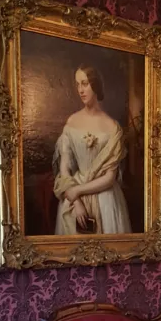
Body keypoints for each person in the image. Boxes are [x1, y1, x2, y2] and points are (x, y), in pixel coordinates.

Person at [53, 65, 132, 235]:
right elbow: (64, 168)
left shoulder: (112, 127)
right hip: (75, 200)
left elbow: (110, 178)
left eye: (85, 84)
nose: (81, 90)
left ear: (95, 86)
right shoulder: (72, 121)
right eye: (77, 85)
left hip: (106, 199)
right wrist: (77, 202)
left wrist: (77, 191)